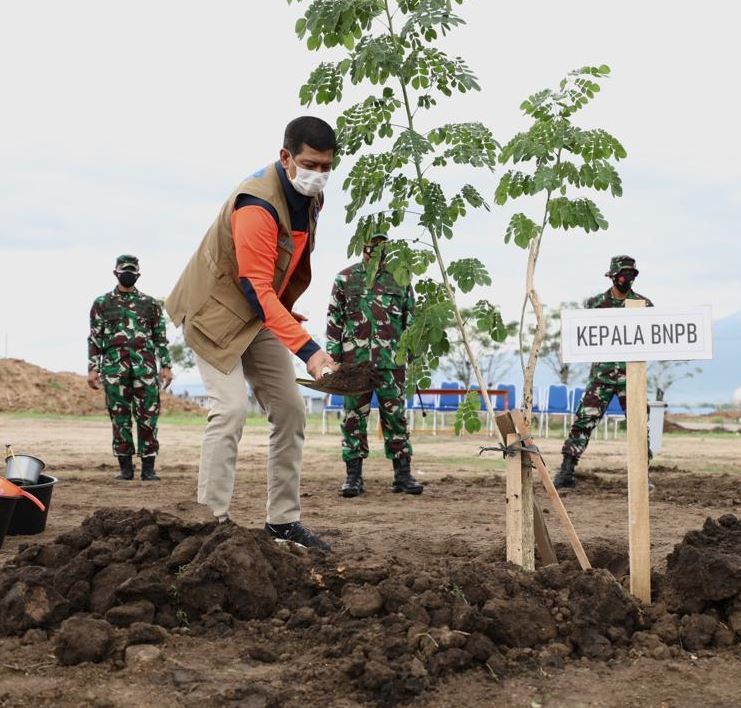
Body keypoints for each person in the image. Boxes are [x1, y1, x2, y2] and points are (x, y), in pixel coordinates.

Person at [165, 116, 338, 550]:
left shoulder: (311, 200)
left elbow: (278, 274)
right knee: (230, 411)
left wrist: (288, 315)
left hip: (256, 315)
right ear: (286, 157)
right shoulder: (256, 205)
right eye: (309, 164)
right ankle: (212, 523)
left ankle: (282, 522)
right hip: (212, 313)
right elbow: (256, 286)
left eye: (326, 167)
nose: (318, 175)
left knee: (292, 409)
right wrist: (311, 352)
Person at [326, 233, 423, 498]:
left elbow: (410, 318)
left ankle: (403, 476)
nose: (377, 253)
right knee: (354, 418)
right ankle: (353, 478)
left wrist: (411, 352)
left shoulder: (400, 279)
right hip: (354, 364)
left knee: (395, 417)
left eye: (382, 248)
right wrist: (333, 359)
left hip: (391, 362)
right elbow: (334, 320)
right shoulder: (345, 278)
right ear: (364, 249)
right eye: (373, 248)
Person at [554, 255, 654, 489]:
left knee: (640, 426)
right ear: (612, 276)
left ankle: (642, 476)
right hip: (602, 377)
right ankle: (567, 470)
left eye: (631, 275)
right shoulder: (595, 305)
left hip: (632, 378)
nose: (627, 279)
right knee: (584, 420)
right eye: (623, 275)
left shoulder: (644, 305)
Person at [87, 254, 173, 481]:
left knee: (148, 417)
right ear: (116, 272)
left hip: (144, 370)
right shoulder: (102, 304)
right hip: (114, 371)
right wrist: (93, 368)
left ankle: (148, 468)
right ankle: (125, 468)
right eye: (124, 271)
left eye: (132, 271)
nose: (128, 274)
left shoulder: (150, 304)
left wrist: (166, 365)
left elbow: (160, 338)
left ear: (138, 274)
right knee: (119, 418)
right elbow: (95, 339)